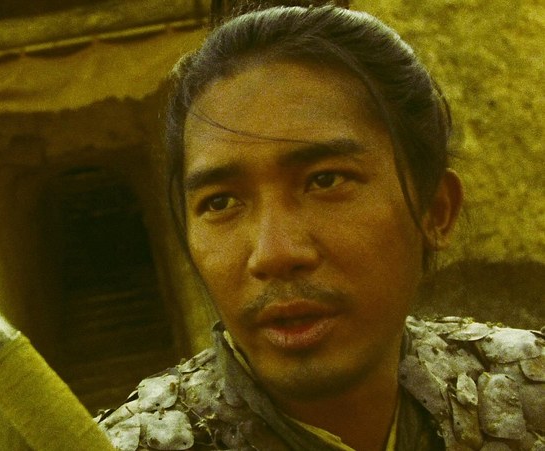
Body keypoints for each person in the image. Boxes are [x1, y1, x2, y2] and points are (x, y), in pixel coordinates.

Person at [97, 5, 545, 451]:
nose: (274, 253)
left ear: (436, 210)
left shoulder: (530, 399)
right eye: (221, 202)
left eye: (326, 180)